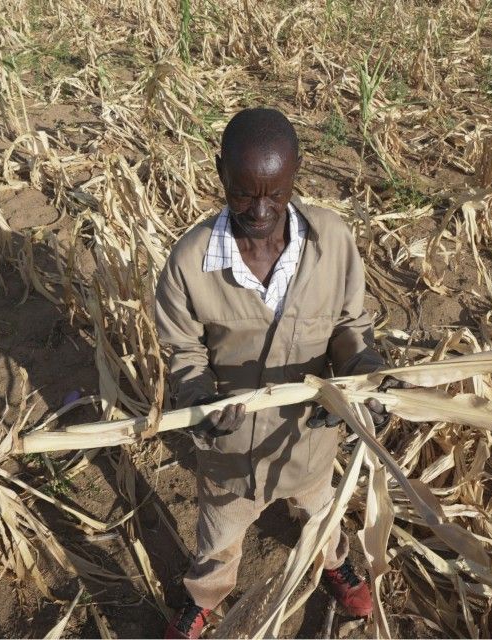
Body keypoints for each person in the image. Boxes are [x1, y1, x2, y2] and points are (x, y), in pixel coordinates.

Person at [154, 108, 391, 638]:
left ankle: (333, 562)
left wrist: (365, 373)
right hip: (231, 451)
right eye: (242, 194)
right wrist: (198, 399)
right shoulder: (190, 263)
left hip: (307, 441)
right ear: (220, 173)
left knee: (321, 513)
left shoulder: (330, 242)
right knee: (219, 535)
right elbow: (184, 349)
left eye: (276, 194)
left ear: (295, 175)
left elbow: (351, 326)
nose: (260, 210)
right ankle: (204, 597)